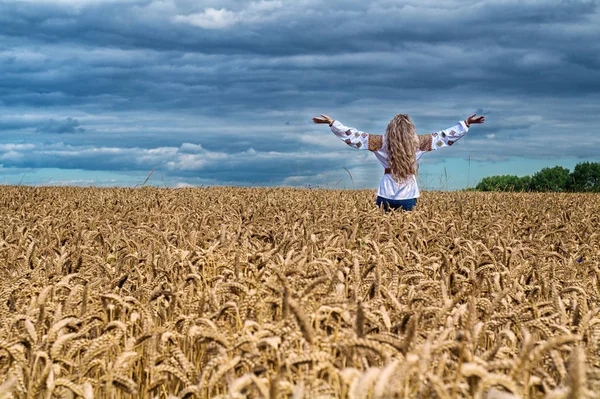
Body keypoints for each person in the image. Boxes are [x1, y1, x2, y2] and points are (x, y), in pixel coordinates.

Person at [312, 113, 485, 211]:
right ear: (411, 130)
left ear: (390, 129)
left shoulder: (380, 142)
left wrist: (333, 123)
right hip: (408, 195)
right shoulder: (418, 142)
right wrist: (466, 124)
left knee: (383, 237)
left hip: (385, 193)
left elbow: (354, 136)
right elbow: (444, 137)